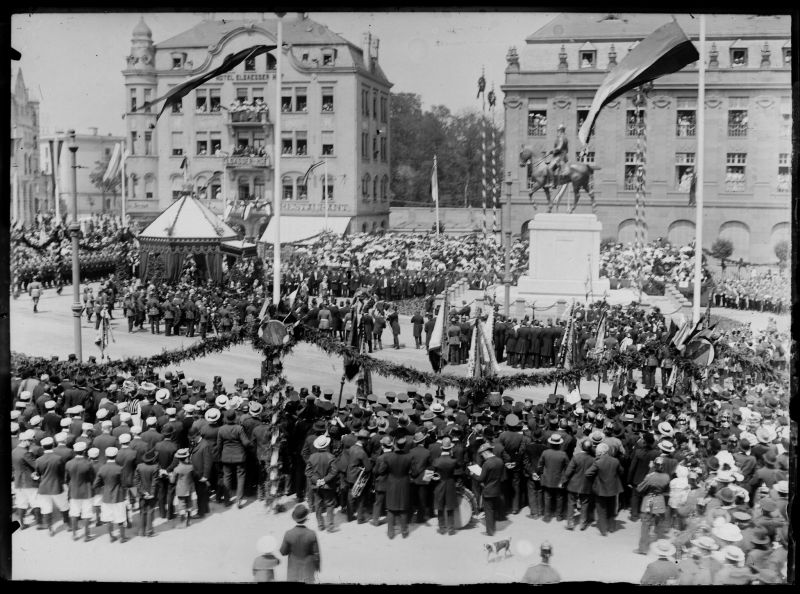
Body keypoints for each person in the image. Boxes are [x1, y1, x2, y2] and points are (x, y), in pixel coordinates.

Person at [584, 442, 624, 536]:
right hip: (613, 489)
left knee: (601, 510)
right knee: (611, 509)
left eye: (597, 452)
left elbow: (587, 473)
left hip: (600, 489)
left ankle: (603, 530)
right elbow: (621, 471)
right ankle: (612, 527)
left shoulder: (597, 462)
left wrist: (595, 478)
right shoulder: (615, 461)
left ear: (600, 452)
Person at [217, 409, 251, 508]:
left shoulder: (221, 429)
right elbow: (245, 443)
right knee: (240, 477)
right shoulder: (239, 428)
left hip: (226, 456)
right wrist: (250, 444)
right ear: (235, 417)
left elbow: (219, 445)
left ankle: (227, 500)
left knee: (227, 477)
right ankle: (239, 500)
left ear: (226, 418)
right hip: (239, 456)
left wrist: (221, 454)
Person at [382, 435, 413, 539]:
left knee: (391, 508)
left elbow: (382, 471)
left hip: (391, 483)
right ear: (404, 445)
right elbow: (414, 471)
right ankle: (404, 531)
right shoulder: (409, 457)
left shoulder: (388, 457)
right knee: (403, 508)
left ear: (395, 444)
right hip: (404, 483)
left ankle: (390, 532)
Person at [280, 504, 320, 584]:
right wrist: (317, 566)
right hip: (308, 571)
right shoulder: (311, 534)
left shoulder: (288, 534)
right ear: (306, 518)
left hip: (293, 571)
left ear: (295, 519)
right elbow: (316, 553)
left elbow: (283, 552)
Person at [306, 434, 339, 532]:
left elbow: (308, 472)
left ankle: (320, 525)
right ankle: (330, 526)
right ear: (326, 445)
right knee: (330, 504)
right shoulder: (331, 457)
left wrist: (317, 480)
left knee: (318, 505)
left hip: (316, 485)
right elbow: (334, 472)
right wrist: (324, 480)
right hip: (328, 485)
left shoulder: (312, 457)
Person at [431, 437, 460, 535]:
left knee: (440, 507)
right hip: (450, 483)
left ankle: (442, 528)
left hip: (439, 484)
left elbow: (432, 473)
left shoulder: (436, 461)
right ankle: (451, 529)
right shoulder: (453, 461)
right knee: (450, 507)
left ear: (442, 448)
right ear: (450, 449)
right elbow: (458, 467)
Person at [476, 441, 503, 536]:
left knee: (488, 512)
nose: (482, 456)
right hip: (497, 489)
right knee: (493, 510)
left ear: (485, 452)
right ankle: (493, 527)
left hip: (488, 490)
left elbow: (480, 478)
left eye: (482, 454)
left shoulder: (487, 464)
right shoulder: (500, 461)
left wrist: (472, 474)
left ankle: (490, 531)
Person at [548, 123, 568, 189]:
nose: (557, 132)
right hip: (562, 156)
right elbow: (566, 149)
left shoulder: (561, 137)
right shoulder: (564, 137)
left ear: (561, 131)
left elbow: (559, 148)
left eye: (558, 130)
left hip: (560, 156)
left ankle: (552, 183)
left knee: (550, 168)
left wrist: (552, 151)